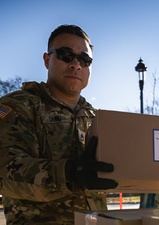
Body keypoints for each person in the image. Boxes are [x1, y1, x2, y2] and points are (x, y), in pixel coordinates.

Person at [0, 24, 117, 225]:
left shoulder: (95, 117)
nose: (76, 64)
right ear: (47, 60)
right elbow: (5, 171)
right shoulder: (18, 106)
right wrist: (69, 174)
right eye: (65, 55)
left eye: (84, 59)